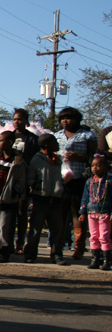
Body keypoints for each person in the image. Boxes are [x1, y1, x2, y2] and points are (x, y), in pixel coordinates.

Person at [55, 107, 97, 261]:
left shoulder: (87, 135)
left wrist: (79, 156)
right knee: (60, 214)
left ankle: (78, 247)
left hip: (80, 179)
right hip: (61, 180)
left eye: (69, 118)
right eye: (62, 118)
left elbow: (94, 157)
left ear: (77, 119)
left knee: (77, 214)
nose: (65, 121)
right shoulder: (57, 135)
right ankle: (57, 246)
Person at [0, 131, 27, 263]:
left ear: (10, 142)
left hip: (8, 200)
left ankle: (3, 252)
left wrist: (14, 193)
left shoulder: (18, 161)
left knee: (5, 227)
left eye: (1, 140)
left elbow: (21, 181)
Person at [24, 134, 65, 264]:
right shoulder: (36, 159)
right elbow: (30, 178)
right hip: (41, 198)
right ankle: (30, 254)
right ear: (47, 145)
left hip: (56, 199)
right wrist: (37, 186)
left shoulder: (58, 160)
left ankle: (57, 254)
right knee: (35, 229)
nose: (57, 144)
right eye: (54, 142)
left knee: (57, 229)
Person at [11, 109, 40, 254]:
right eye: (15, 119)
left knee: (22, 212)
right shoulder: (8, 136)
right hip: (9, 179)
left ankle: (20, 243)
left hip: (25, 180)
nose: (17, 122)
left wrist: (32, 182)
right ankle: (6, 242)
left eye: (20, 119)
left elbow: (36, 162)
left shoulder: (33, 139)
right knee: (8, 212)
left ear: (26, 121)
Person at [79, 154, 112, 270]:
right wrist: (82, 212)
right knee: (93, 236)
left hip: (105, 212)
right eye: (93, 165)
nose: (95, 168)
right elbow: (85, 197)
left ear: (106, 167)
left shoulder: (110, 180)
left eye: (98, 165)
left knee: (104, 236)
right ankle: (95, 260)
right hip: (92, 212)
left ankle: (107, 261)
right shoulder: (89, 182)